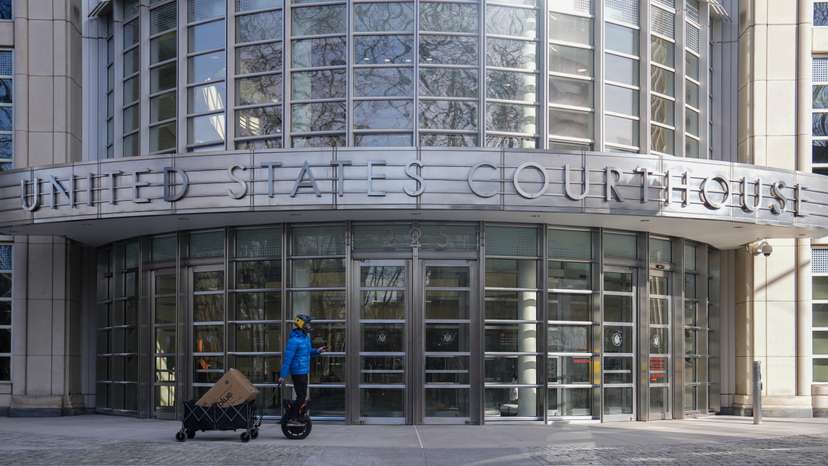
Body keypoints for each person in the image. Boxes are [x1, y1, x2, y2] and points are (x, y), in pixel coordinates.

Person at [277, 314, 327, 404]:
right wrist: (282, 375)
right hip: (297, 372)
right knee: (301, 397)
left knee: (302, 396)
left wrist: (317, 351)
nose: (309, 326)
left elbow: (307, 352)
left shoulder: (305, 338)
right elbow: (287, 359)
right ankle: (288, 416)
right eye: (307, 324)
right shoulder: (294, 340)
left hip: (304, 371)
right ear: (301, 325)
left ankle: (297, 416)